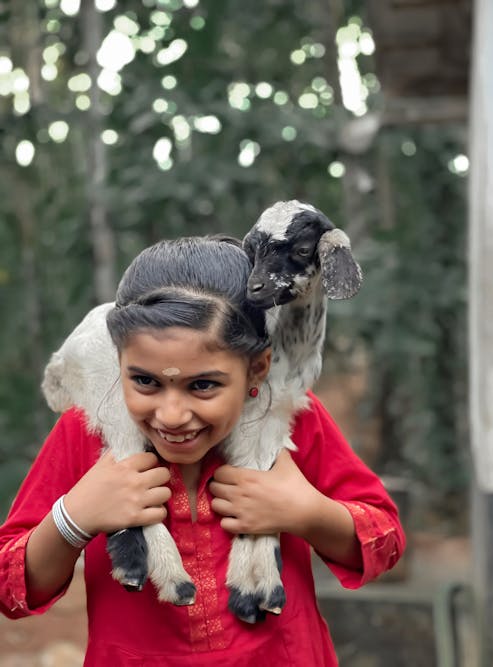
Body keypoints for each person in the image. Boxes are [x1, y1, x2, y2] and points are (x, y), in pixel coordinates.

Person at [0, 235, 405, 667]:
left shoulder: (286, 415)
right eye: (145, 382)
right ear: (118, 362)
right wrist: (73, 518)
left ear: (258, 368)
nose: (172, 415)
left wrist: (306, 512)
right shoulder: (89, 429)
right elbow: (11, 589)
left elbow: (385, 540)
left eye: (203, 385)